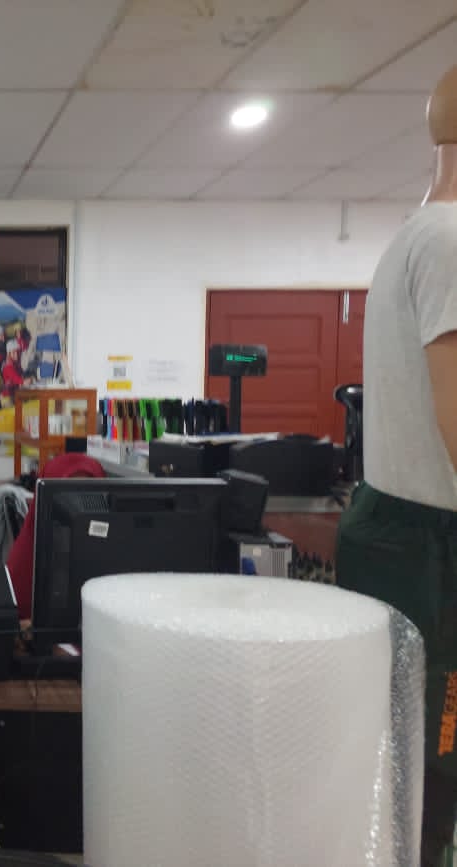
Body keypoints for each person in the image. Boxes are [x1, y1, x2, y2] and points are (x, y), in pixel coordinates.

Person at [336, 64, 457, 867]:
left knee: (409, 778)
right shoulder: (449, 241)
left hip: (402, 538)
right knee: (431, 778)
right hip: (429, 555)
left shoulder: (414, 236)